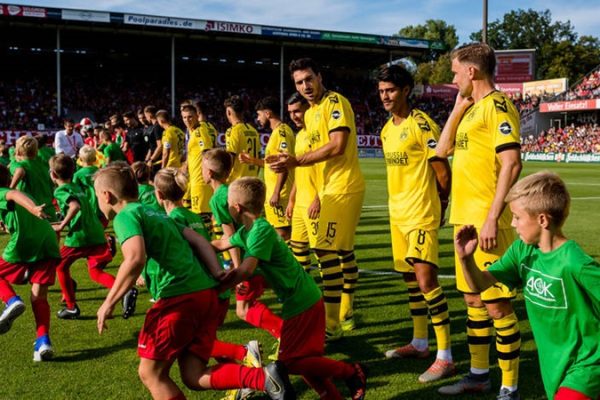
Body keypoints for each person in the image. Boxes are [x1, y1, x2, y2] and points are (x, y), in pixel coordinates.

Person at [93, 165, 295, 400]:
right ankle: (265, 378)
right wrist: (216, 271)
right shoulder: (156, 213)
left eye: (96, 196)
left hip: (178, 297)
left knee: (151, 374)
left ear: (106, 195)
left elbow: (135, 258)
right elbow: (198, 240)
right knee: (193, 375)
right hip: (205, 295)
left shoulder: (126, 216)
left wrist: (108, 302)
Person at [214, 177, 368, 400]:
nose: (226, 207)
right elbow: (221, 244)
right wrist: (187, 243)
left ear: (237, 207)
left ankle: (351, 372)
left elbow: (246, 270)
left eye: (228, 203)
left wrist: (219, 287)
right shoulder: (248, 231)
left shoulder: (259, 231)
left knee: (290, 363)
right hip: (301, 301)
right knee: (305, 362)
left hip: (302, 302)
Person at [455, 171, 600, 400]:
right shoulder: (522, 251)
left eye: (517, 217)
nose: (513, 224)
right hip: (554, 366)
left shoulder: (574, 262)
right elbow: (480, 284)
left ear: (542, 220)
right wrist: (466, 259)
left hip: (587, 366)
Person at [436, 43, 522, 399]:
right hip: (464, 221)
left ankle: (509, 387)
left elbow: (512, 163)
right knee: (473, 301)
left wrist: (492, 217)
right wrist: (458, 108)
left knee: (496, 304)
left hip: (488, 222)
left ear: (471, 71)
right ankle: (478, 375)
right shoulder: (471, 110)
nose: (454, 79)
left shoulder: (498, 106)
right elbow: (441, 151)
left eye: (456, 73)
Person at [271, 58, 365, 340]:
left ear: (320, 77)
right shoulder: (310, 114)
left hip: (343, 188)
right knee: (332, 251)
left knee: (327, 251)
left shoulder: (335, 103)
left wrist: (296, 161)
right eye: (299, 82)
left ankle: (333, 324)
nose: (305, 86)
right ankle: (338, 314)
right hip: (326, 191)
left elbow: (338, 146)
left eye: (309, 79)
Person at [376, 65, 454, 383]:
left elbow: (442, 171)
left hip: (421, 213)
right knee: (410, 281)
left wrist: (441, 205)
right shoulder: (385, 130)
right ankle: (420, 343)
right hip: (397, 215)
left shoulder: (422, 125)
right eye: (381, 91)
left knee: (426, 282)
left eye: (390, 90)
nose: (385, 96)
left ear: (406, 90)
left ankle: (445, 356)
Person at [203, 149, 283, 341]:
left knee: (243, 309)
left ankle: (287, 334)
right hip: (258, 252)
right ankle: (290, 333)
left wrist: (238, 271)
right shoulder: (230, 191)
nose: (200, 171)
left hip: (250, 256)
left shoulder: (217, 199)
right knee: (249, 304)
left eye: (202, 168)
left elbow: (230, 237)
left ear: (210, 173)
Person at [49, 154, 137, 319]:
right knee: (95, 271)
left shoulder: (61, 190)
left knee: (60, 265)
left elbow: (74, 206)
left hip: (80, 236)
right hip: (96, 231)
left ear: (53, 174)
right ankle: (126, 290)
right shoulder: (76, 187)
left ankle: (71, 306)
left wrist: (61, 225)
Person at [0, 164, 60, 361]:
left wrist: (33, 209)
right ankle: (43, 342)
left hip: (26, 242)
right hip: (48, 240)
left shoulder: (5, 192)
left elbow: (13, 194)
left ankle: (11, 300)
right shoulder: (20, 193)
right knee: (39, 297)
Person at [240, 96, 295, 241]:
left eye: (259, 114)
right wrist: (252, 160)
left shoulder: (282, 132)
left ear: (268, 113)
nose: (258, 119)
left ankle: (291, 256)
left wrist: (276, 192)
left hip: (281, 194)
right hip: (275, 192)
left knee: (283, 234)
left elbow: (284, 164)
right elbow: (271, 164)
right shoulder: (275, 133)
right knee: (280, 233)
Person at [284, 93, 319, 272]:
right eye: (290, 112)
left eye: (297, 111)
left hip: (315, 201)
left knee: (322, 252)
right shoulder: (299, 136)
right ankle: (305, 285)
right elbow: (299, 171)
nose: (294, 116)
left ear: (308, 108)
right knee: (297, 247)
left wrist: (318, 199)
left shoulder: (318, 133)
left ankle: (337, 289)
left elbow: (328, 168)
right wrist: (292, 200)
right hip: (300, 202)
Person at [181, 104, 214, 224]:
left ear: (196, 116)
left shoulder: (200, 131)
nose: (187, 120)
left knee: (202, 219)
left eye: (190, 117)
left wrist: (206, 176)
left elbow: (207, 153)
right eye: (184, 117)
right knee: (198, 218)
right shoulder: (193, 132)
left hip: (201, 181)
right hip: (194, 180)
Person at [9, 136, 57, 221]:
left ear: (18, 150)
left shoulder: (18, 164)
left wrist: (10, 190)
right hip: (48, 207)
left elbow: (20, 171)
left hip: (30, 209)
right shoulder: (42, 163)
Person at [224, 95, 260, 182]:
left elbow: (231, 157)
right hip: (253, 179)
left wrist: (224, 177)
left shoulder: (233, 131)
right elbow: (258, 156)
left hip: (237, 181)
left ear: (228, 112)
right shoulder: (253, 130)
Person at [144, 105, 164, 176]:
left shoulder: (157, 127)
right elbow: (152, 146)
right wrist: (147, 159)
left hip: (158, 160)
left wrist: (151, 159)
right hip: (154, 159)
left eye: (146, 116)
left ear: (149, 115)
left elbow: (160, 146)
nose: (146, 118)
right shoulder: (153, 127)